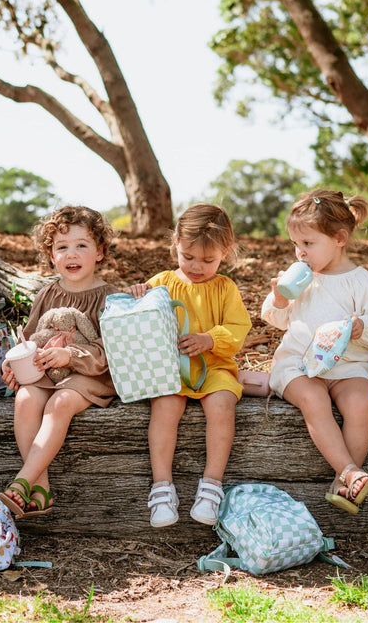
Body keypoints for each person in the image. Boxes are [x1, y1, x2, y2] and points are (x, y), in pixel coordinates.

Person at [261, 189, 368, 514]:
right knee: (313, 399)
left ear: (340, 239)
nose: (299, 253)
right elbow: (275, 320)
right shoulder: (302, 280)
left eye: (308, 244)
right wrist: (278, 298)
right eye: (295, 244)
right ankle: (349, 471)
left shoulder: (361, 282)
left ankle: (343, 482)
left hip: (347, 368)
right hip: (299, 367)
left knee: (361, 401)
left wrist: (362, 327)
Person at [126, 204, 251, 528]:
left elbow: (238, 328)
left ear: (226, 252)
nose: (197, 266)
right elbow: (139, 318)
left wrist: (210, 339)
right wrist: (138, 296)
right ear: (176, 245)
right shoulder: (163, 282)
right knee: (165, 407)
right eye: (188, 256)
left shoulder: (225, 288)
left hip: (214, 365)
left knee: (223, 404)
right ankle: (162, 488)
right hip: (171, 368)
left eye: (208, 260)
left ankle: (211, 487)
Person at [0, 205, 119, 518]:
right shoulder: (47, 294)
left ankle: (22, 481)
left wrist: (70, 355)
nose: (71, 254)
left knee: (60, 404)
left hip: (91, 374)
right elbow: (29, 338)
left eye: (82, 245)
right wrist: (14, 365)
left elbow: (111, 352)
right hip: (47, 371)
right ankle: (40, 488)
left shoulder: (110, 297)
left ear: (100, 252)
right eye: (62, 247)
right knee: (26, 399)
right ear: (51, 255)